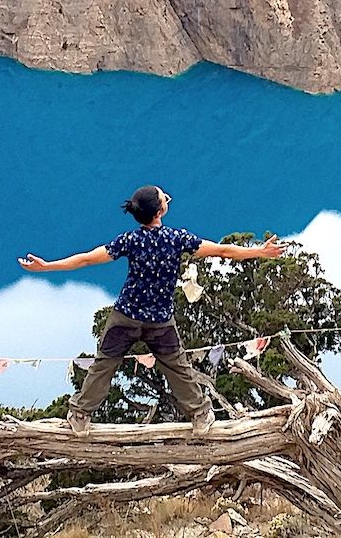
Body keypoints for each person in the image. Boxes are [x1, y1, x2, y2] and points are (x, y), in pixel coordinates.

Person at [18, 185, 286, 436]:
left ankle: (79, 415)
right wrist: (260, 252)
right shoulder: (177, 238)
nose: (166, 197)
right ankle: (201, 415)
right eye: (163, 197)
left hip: (126, 315)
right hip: (160, 320)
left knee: (104, 364)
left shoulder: (130, 240)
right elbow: (223, 251)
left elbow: (87, 258)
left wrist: (48, 266)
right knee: (177, 366)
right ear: (159, 211)